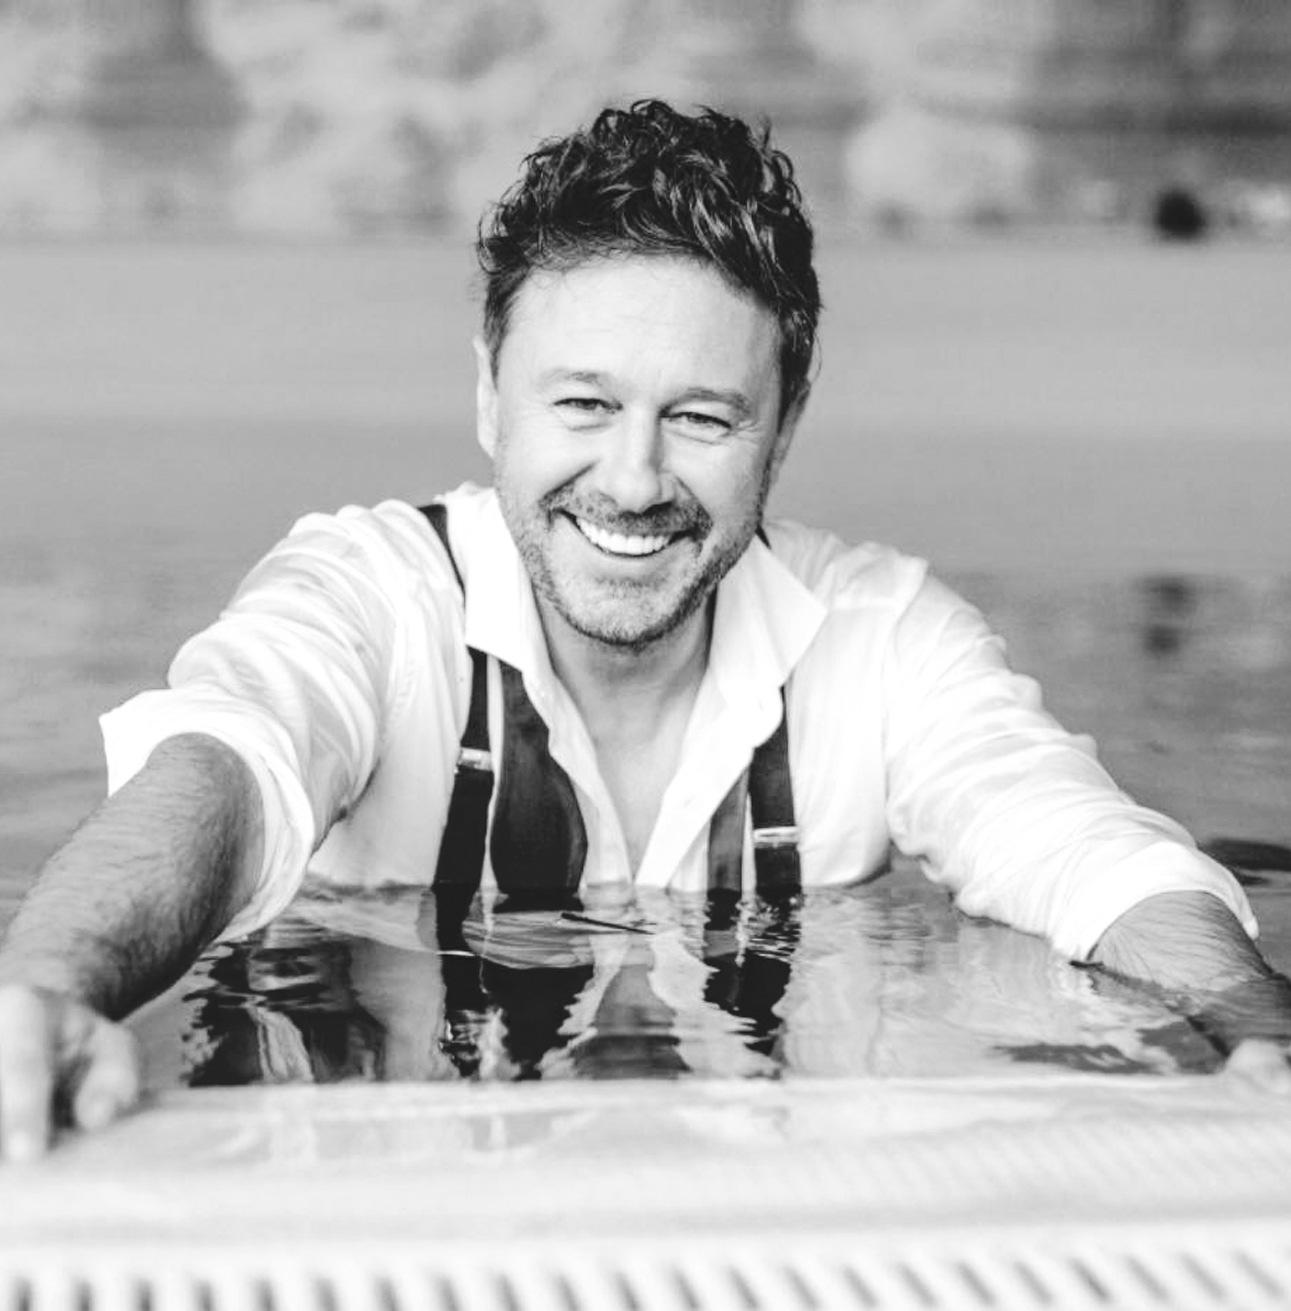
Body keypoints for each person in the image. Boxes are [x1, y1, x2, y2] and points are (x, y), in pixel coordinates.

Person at [0, 100, 1286, 1160]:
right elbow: (222, 771)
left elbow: (1086, 853)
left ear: (782, 426)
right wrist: (54, 989)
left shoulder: (882, 635)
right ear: (490, 397)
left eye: (701, 418)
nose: (631, 480)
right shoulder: (373, 592)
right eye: (583, 404)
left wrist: (1255, 1028)